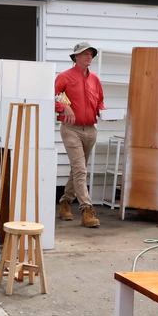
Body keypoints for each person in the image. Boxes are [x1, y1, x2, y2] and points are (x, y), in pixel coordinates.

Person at [55, 41, 104, 228]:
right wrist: (63, 106)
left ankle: (66, 202)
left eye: (91, 54)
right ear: (76, 57)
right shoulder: (64, 77)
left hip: (90, 129)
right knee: (81, 169)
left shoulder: (95, 80)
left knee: (78, 168)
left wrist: (103, 112)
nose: (89, 56)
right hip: (71, 129)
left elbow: (100, 101)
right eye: (85, 53)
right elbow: (52, 96)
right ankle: (87, 209)